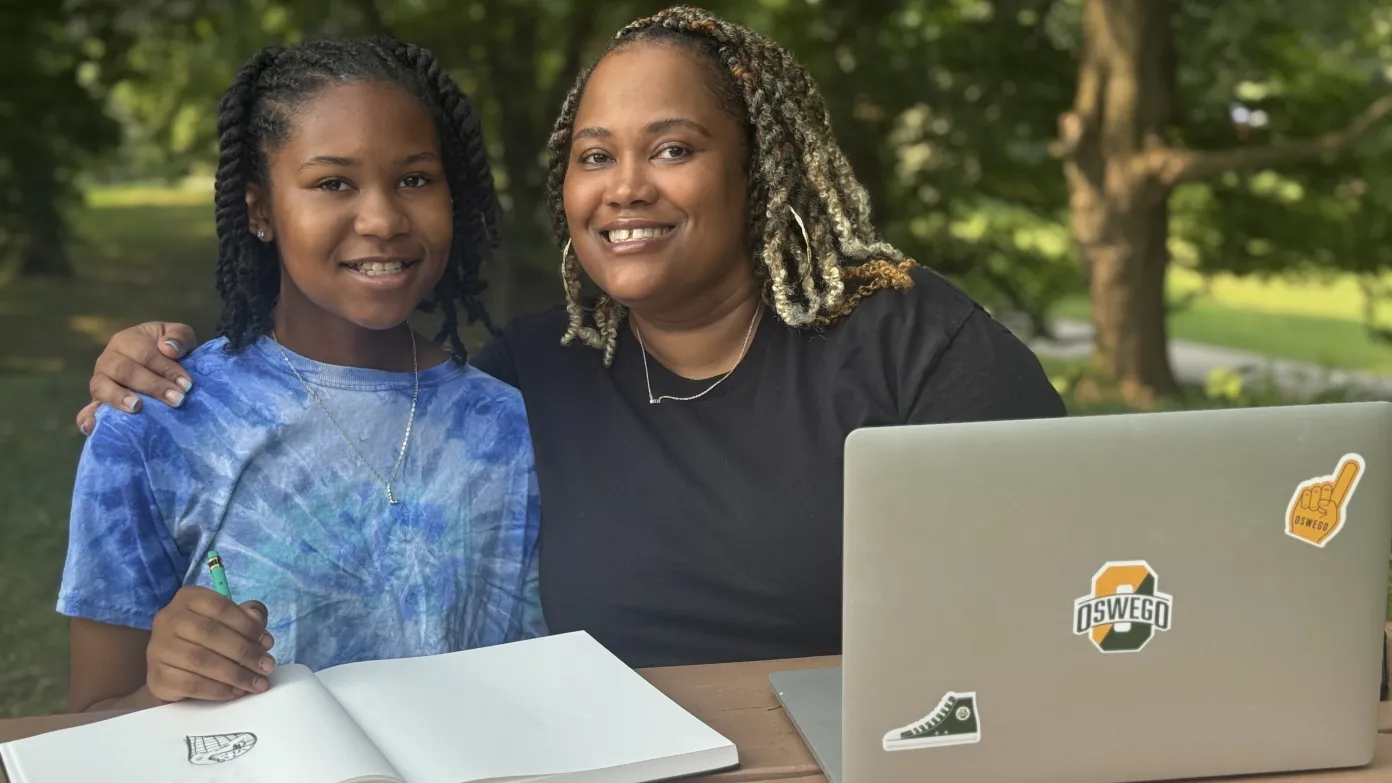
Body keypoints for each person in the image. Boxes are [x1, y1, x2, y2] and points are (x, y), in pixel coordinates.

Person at [75, 6, 1064, 670]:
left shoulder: (907, 341)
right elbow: (350, 388)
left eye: (673, 149)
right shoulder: (530, 378)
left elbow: (1073, 603)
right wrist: (147, 369)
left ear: (755, 171)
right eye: (597, 156)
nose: (626, 186)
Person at [60, 36, 543, 714]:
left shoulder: (508, 427)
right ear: (260, 210)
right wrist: (160, 687)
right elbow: (88, 719)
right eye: (332, 183)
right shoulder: (154, 423)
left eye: (414, 179)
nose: (381, 218)